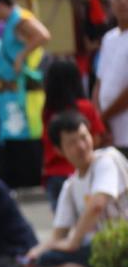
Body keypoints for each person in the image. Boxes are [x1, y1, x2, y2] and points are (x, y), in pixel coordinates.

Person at [27, 111, 128, 267]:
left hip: (120, 241)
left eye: (83, 137)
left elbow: (97, 204)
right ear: (59, 150)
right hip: (99, 247)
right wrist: (35, 253)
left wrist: (73, 243)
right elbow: (59, 235)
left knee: (58, 258)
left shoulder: (107, 159)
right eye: (72, 142)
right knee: (42, 262)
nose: (81, 146)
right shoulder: (70, 185)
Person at [0, 0, 52, 189]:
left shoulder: (19, 19)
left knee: (25, 136)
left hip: (25, 93)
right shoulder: (10, 21)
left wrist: (22, 56)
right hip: (15, 92)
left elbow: (43, 35)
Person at [42, 59, 108, 210]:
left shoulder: (47, 112)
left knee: (63, 223)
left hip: (53, 175)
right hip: (80, 173)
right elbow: (97, 138)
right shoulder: (86, 107)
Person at [94, 0, 128, 152]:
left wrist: (103, 116)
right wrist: (98, 119)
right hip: (109, 134)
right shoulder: (109, 38)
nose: (122, 1)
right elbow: (99, 82)